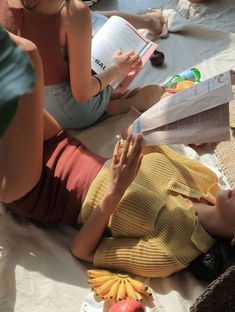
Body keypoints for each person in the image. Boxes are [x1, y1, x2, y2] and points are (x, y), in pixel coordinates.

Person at [2, 30, 235, 279]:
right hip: (60, 143)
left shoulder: (174, 253)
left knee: (25, 56)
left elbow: (82, 250)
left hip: (40, 190)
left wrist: (116, 190)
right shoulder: (206, 181)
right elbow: (134, 141)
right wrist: (169, 116)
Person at [0, 0, 167, 130]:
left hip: (28, 103)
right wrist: (118, 68)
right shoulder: (72, 11)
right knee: (105, 29)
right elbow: (82, 93)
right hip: (74, 111)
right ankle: (110, 107)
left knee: (94, 17)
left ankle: (150, 21)